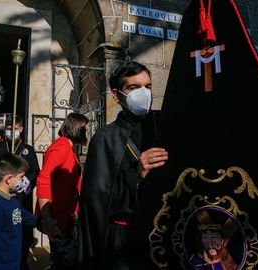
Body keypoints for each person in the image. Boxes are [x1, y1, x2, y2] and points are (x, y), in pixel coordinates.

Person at [77, 61, 168, 269]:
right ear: (118, 95)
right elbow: (96, 200)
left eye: (148, 86)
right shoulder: (105, 138)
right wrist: (136, 174)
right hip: (123, 241)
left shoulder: (162, 128)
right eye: (134, 88)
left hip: (161, 235)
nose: (143, 93)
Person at [0, 115, 40, 270]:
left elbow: (35, 172)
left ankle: (22, 261)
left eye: (15, 129)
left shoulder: (27, 149)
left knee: (23, 233)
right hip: (3, 196)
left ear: (21, 129)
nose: (11, 132)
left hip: (22, 199)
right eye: (8, 129)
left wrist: (25, 182)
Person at [37, 112, 89, 269]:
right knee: (64, 263)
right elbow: (43, 178)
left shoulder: (66, 146)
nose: (86, 133)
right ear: (77, 128)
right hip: (56, 218)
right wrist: (47, 218)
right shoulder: (61, 147)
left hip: (65, 216)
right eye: (85, 129)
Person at [0, 153, 37, 270]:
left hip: (14, 264)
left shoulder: (12, 198)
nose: (23, 181)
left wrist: (44, 224)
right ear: (8, 179)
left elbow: (24, 215)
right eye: (21, 178)